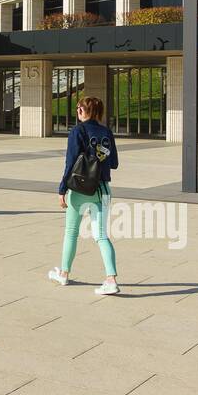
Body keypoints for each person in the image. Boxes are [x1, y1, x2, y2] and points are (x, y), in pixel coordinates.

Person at [49, 96, 120, 295]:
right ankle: (111, 279)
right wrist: (100, 155)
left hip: (79, 189)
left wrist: (62, 189)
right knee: (101, 236)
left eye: (79, 107)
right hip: (103, 189)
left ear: (84, 110)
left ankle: (63, 274)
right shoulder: (106, 132)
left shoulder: (77, 131)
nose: (77, 110)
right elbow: (114, 163)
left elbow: (70, 162)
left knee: (71, 232)